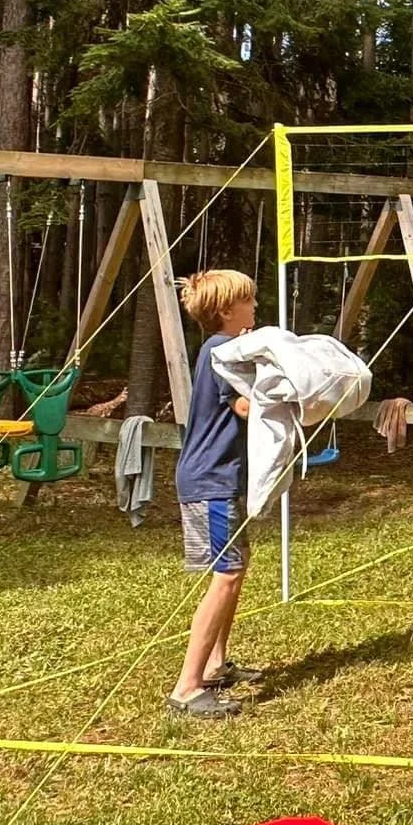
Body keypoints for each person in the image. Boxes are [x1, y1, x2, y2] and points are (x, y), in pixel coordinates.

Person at [166, 269, 265, 717]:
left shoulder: (221, 349)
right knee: (225, 574)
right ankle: (187, 689)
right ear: (226, 311)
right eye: (248, 301)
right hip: (210, 480)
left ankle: (215, 666)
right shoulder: (224, 350)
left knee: (236, 567)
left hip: (220, 477)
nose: (255, 307)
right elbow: (245, 406)